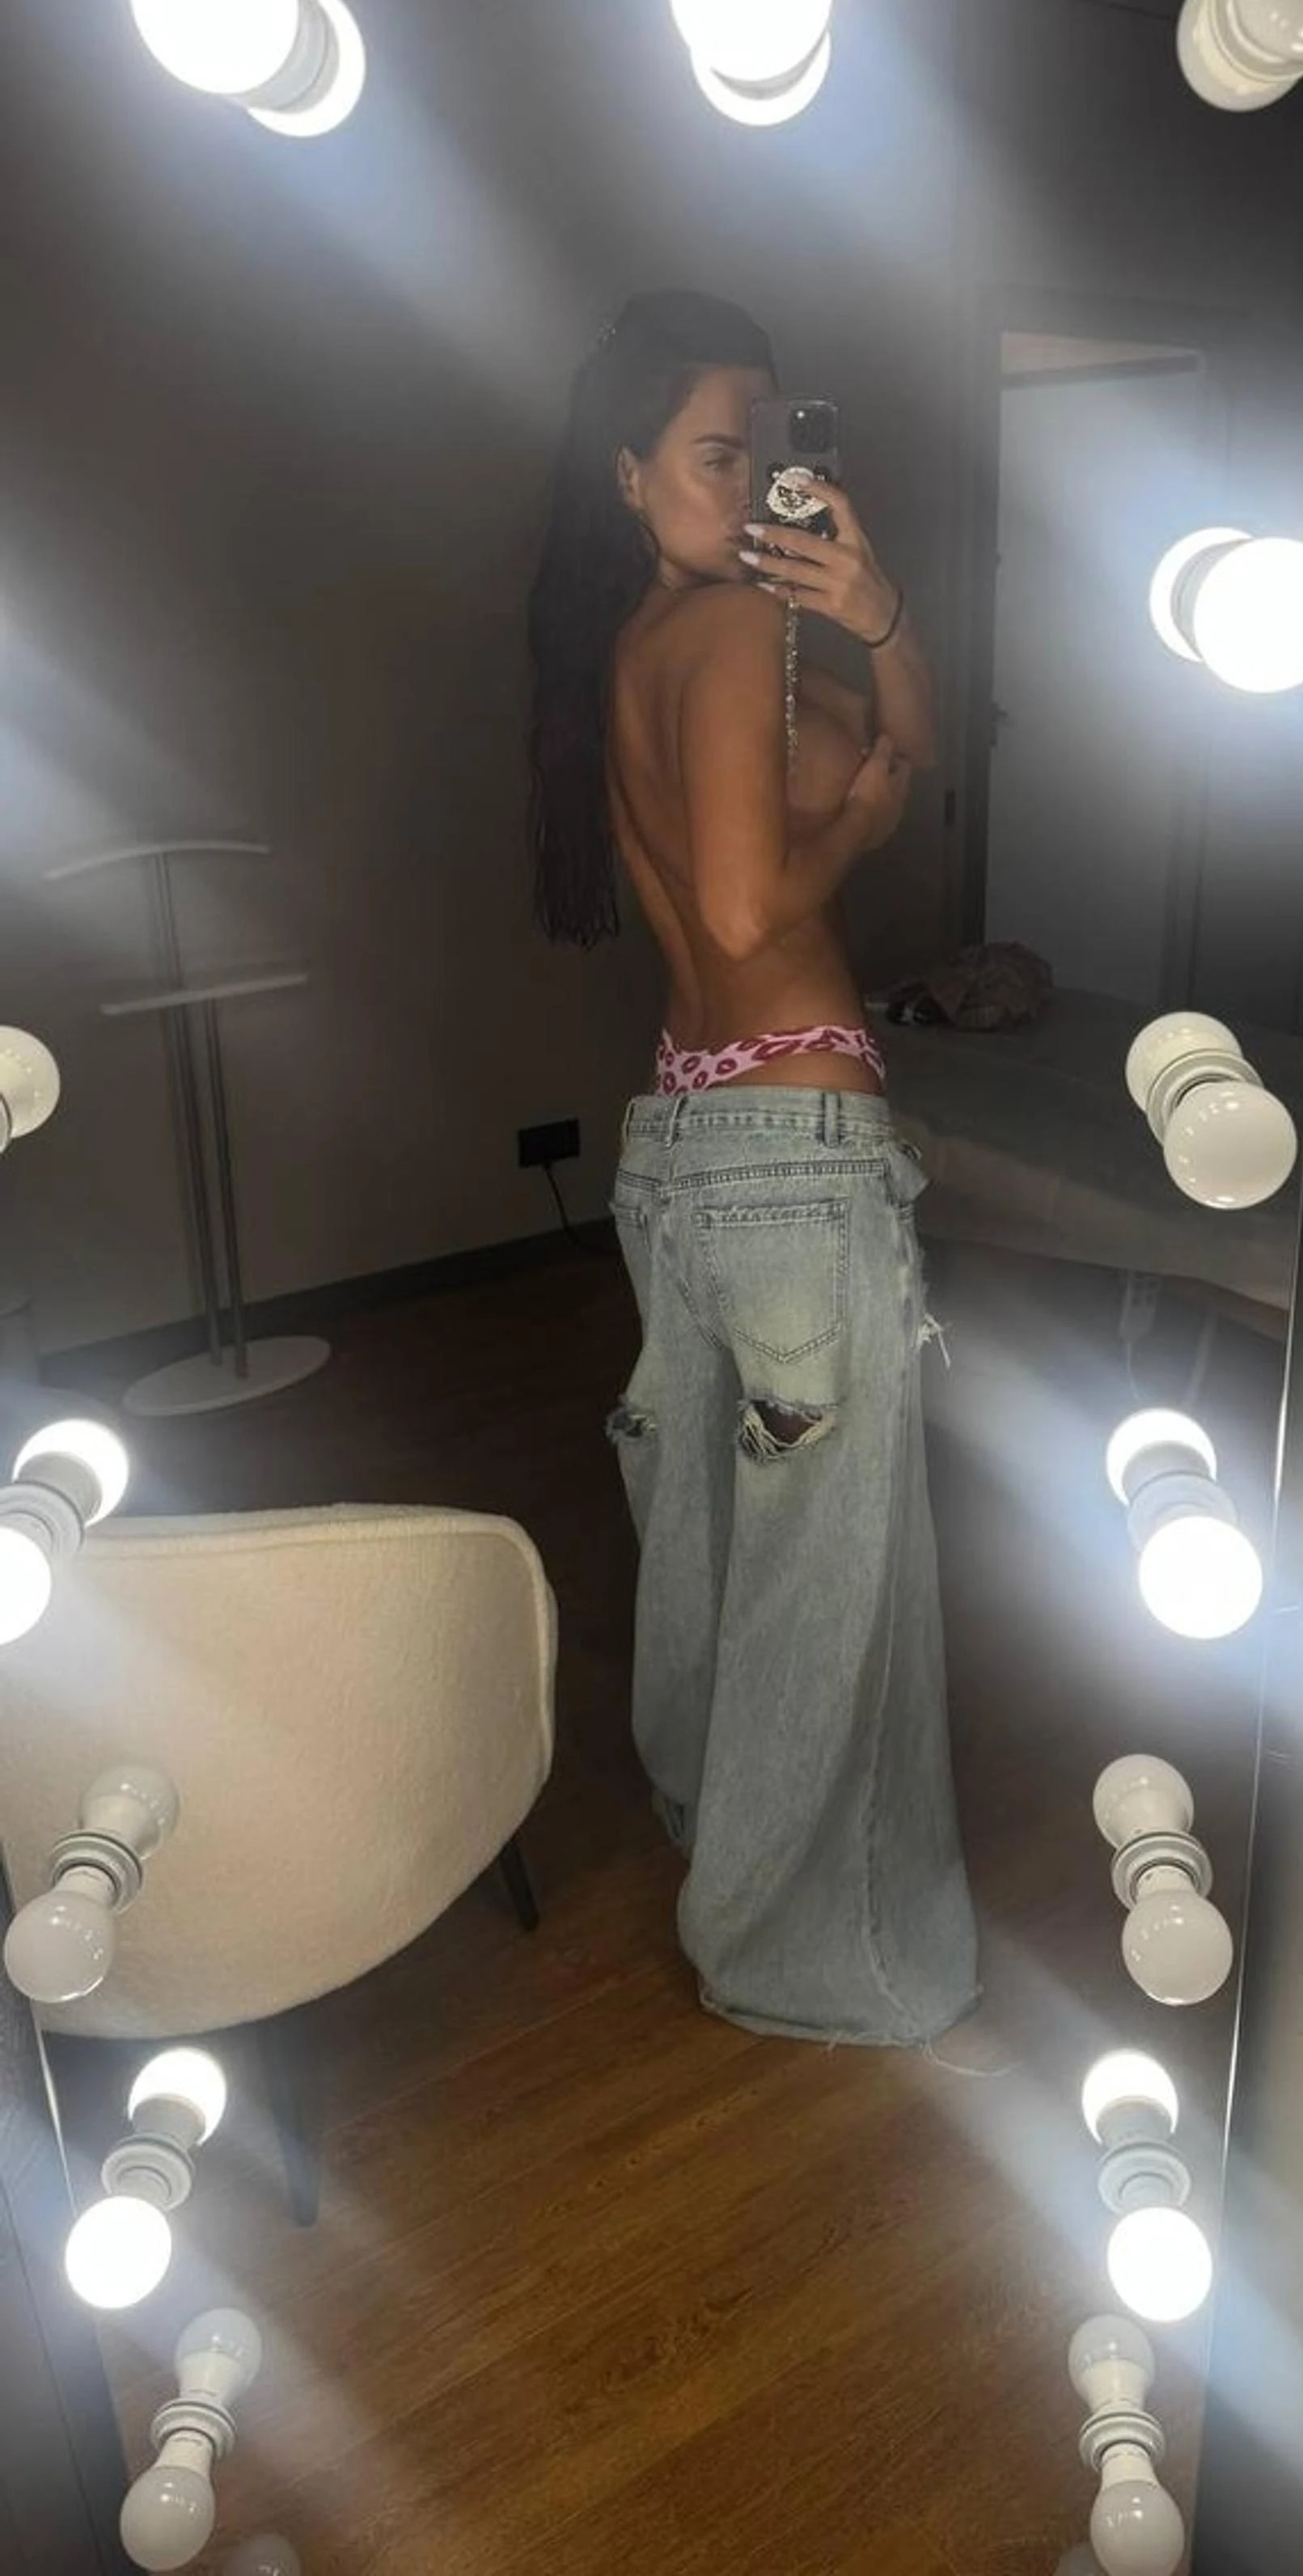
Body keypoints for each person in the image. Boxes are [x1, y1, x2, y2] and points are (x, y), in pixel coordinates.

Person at [527, 289, 979, 2046]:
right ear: (629, 472)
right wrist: (857, 816)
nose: (748, 487)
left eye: (765, 452)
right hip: (794, 1148)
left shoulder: (648, 644)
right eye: (715, 455)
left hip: (688, 1145)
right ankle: (799, 1952)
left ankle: (715, 1827)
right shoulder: (724, 633)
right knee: (825, 1577)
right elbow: (750, 905)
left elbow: (912, 738)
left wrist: (879, 614)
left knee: (711, 1550)